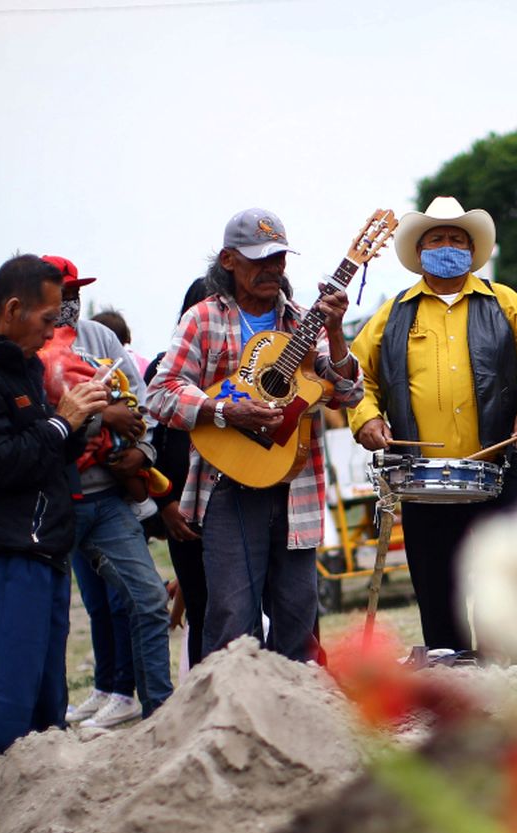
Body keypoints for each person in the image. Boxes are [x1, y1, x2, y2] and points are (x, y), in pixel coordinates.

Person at [147, 208, 362, 662]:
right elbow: (160, 394)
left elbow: (348, 393)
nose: (272, 269)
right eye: (259, 259)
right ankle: (234, 719)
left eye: (279, 258)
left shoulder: (304, 320)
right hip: (227, 484)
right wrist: (224, 410)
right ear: (228, 260)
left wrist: (337, 332)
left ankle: (301, 715)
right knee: (231, 619)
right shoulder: (202, 319)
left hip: (297, 484)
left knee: (299, 612)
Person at [349, 197, 517, 664]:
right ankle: (453, 681)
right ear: (420, 252)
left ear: (471, 249)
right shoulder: (391, 314)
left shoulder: (504, 302)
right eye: (437, 239)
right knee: (438, 588)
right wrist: (367, 417)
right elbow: (356, 376)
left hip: (499, 470)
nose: (447, 246)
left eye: (457, 239)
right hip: (425, 482)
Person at [0, 254, 109, 775]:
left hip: (45, 543)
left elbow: (43, 452)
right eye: (49, 319)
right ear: (11, 309)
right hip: (7, 547)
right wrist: (62, 423)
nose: (56, 330)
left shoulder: (21, 364)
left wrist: (79, 422)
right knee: (2, 693)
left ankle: (39, 802)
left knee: (45, 694)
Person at [38, 255, 173, 728]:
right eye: (62, 294)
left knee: (149, 601)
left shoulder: (101, 338)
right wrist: (104, 416)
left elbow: (145, 404)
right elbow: (37, 423)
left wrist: (144, 453)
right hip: (55, 500)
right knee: (52, 619)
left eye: (75, 293)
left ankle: (159, 711)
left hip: (110, 494)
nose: (70, 303)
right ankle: (48, 725)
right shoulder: (24, 348)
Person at [146, 278, 212, 668]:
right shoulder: (163, 371)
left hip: (236, 498)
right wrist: (167, 504)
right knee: (201, 603)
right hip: (185, 507)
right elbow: (156, 447)